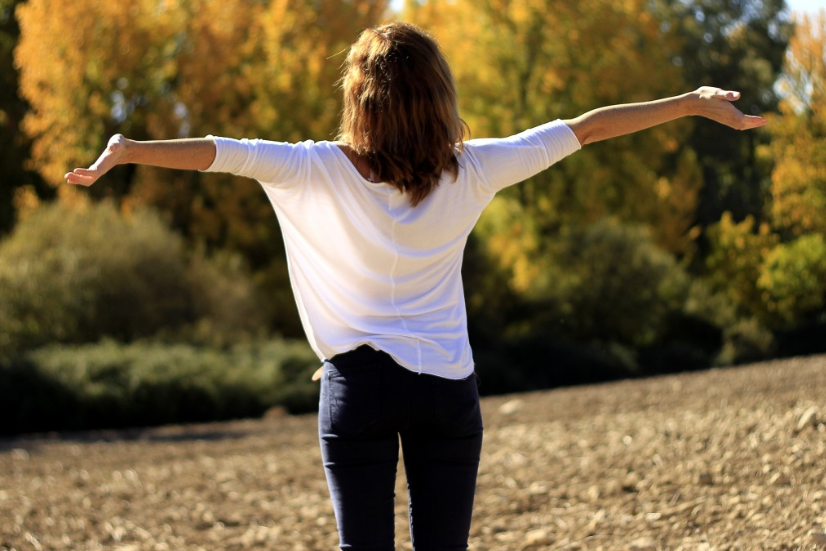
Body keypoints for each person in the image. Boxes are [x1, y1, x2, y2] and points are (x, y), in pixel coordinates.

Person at [65, 21, 765, 551]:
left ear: (359, 100)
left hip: (357, 390)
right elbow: (587, 129)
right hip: (447, 389)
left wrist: (129, 152)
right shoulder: (476, 168)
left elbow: (220, 153)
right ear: (439, 97)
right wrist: (691, 102)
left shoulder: (313, 168)